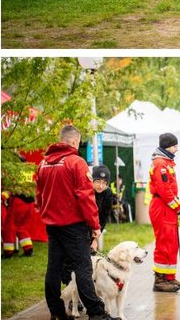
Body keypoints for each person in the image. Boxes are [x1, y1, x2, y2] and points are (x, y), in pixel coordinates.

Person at [35, 125, 111, 320]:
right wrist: (95, 226)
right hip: (74, 227)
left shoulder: (43, 164)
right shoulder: (76, 162)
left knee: (53, 268)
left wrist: (45, 213)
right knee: (83, 268)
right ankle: (96, 313)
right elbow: (86, 197)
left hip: (52, 226)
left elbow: (39, 195)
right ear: (75, 141)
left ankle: (57, 312)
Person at [149, 133, 180, 292]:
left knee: (171, 244)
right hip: (162, 207)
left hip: (166, 208)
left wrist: (175, 206)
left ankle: (170, 278)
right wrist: (177, 206)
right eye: (174, 146)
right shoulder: (160, 164)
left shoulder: (165, 162)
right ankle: (160, 280)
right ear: (167, 146)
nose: (176, 149)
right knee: (164, 243)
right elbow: (164, 190)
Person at [92, 165, 114, 252]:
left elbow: (104, 217)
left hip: (96, 228)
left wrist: (95, 239)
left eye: (104, 183)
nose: (101, 186)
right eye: (98, 181)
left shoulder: (108, 193)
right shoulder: (86, 190)